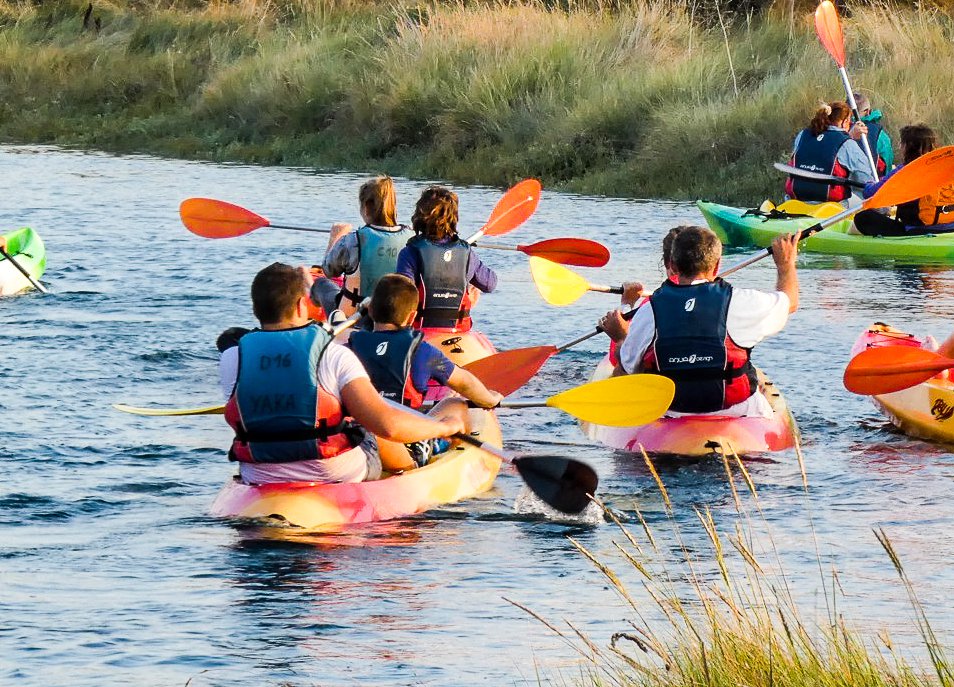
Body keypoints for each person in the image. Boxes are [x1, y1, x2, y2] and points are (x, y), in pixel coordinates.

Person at [218, 262, 472, 484]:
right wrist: (443, 427)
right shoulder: (334, 354)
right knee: (364, 423)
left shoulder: (232, 358)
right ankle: (418, 454)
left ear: (256, 309)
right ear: (299, 306)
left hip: (259, 473)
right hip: (331, 470)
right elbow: (388, 426)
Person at [599, 226, 799, 417]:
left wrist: (621, 339)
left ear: (674, 266)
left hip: (671, 412)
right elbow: (789, 302)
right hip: (737, 409)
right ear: (717, 265)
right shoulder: (741, 301)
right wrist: (785, 265)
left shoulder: (649, 311)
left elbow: (627, 369)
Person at [349, 273, 503, 466]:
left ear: (370, 310)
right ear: (412, 316)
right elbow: (464, 382)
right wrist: (490, 399)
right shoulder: (424, 352)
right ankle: (434, 447)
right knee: (456, 403)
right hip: (404, 445)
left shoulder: (350, 346)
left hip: (358, 438)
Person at [396, 186, 497, 332]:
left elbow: (401, 298)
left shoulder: (410, 253)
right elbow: (490, 284)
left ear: (419, 217)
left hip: (420, 331)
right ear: (454, 218)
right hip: (458, 333)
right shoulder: (467, 253)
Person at [311, 176, 414, 318]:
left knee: (321, 283)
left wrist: (336, 237)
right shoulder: (412, 237)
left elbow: (329, 270)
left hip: (355, 317)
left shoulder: (353, 240)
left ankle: (315, 318)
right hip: (396, 315)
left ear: (366, 207)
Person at [854, 124, 954, 237]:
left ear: (908, 147)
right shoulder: (948, 168)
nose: (900, 147)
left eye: (902, 143)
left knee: (863, 218)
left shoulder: (905, 170)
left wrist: (869, 185)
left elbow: (872, 193)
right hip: (951, 228)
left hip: (918, 231)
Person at [786, 101, 875, 204]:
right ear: (845, 122)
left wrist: (848, 136)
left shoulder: (802, 135)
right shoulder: (847, 144)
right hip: (830, 210)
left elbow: (823, 148)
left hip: (795, 203)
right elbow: (864, 178)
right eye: (849, 123)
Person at [854, 92, 894, 175]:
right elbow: (887, 163)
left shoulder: (837, 128)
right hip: (870, 184)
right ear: (868, 111)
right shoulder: (880, 136)